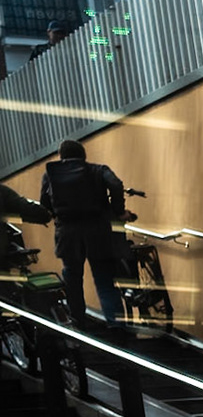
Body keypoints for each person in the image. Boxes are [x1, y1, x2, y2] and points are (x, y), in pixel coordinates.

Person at [39, 139, 126, 328]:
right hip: (98, 231)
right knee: (105, 280)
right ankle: (117, 325)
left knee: (72, 278)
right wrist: (118, 211)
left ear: (62, 156)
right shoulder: (98, 170)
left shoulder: (50, 175)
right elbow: (116, 184)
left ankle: (78, 321)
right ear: (83, 154)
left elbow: (44, 204)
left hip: (67, 234)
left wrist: (54, 214)